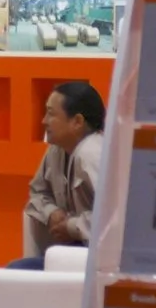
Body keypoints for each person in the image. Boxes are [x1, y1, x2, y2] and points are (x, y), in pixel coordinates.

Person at [14, 80, 106, 266]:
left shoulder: (92, 153)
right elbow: (37, 192)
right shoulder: (56, 150)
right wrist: (51, 212)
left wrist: (71, 227)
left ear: (77, 121)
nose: (43, 121)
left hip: (97, 260)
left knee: (17, 270)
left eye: (51, 114)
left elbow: (114, 218)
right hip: (69, 253)